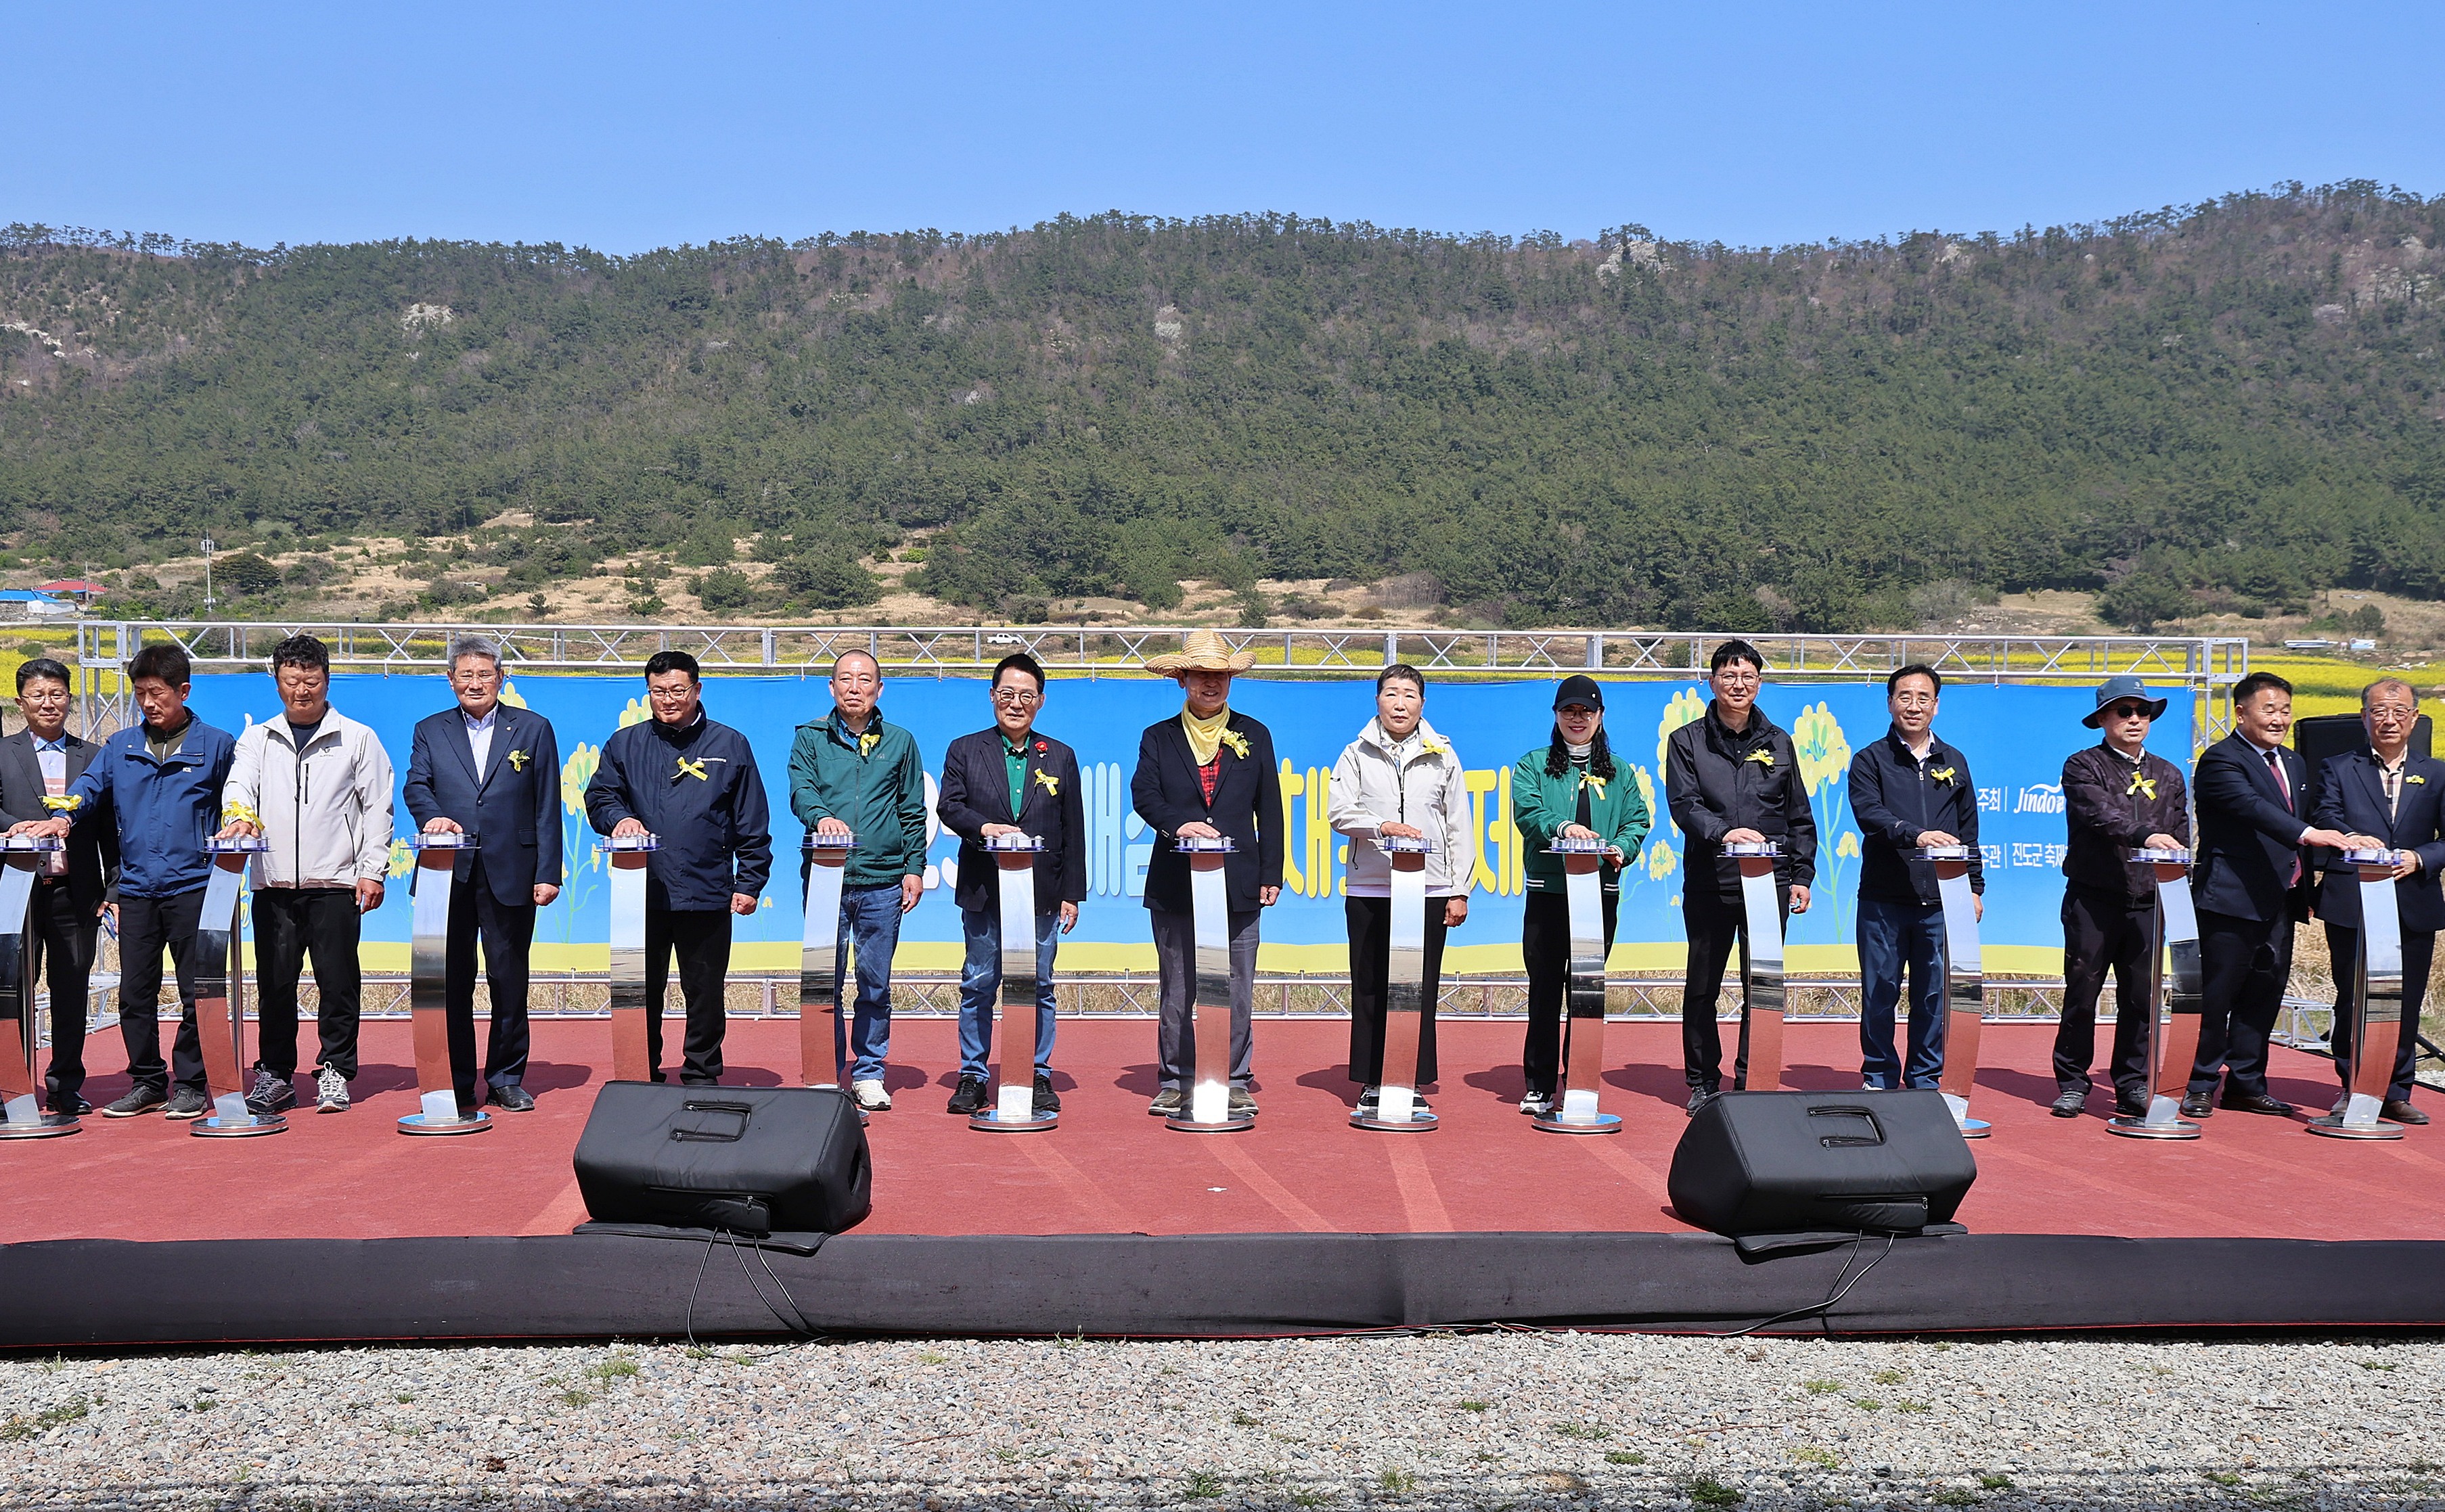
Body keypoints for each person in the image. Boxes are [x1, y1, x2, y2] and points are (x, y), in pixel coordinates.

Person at [9, 644, 233, 1119]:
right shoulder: (122, 744)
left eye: (157, 693)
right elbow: (89, 790)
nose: (148, 703)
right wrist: (63, 817)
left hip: (192, 885)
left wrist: (240, 825)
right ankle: (147, 1080)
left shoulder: (216, 744)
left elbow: (235, 800)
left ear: (183, 691)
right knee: (135, 993)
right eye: (140, 694)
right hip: (136, 890)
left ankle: (191, 1083)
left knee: (196, 991)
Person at [219, 635, 395, 1115]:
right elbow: (239, 786)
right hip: (273, 884)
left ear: (327, 680)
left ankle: (335, 1069)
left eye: (311, 680)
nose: (302, 690)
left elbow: (378, 807)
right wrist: (237, 815)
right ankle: (275, 1073)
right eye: (292, 680)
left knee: (337, 982)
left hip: (335, 884)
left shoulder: (357, 737)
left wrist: (372, 870)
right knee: (275, 983)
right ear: (276, 682)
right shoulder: (258, 738)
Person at [586, 650, 773, 1086]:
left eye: (677, 691)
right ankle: (640, 1072)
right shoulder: (625, 744)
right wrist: (620, 819)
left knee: (704, 992)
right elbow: (599, 798)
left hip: (707, 890)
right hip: (642, 892)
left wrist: (750, 881)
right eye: (657, 692)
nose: (668, 700)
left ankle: (702, 1073)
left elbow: (751, 820)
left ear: (697, 690)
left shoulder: (730, 745)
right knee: (641, 991)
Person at [401, 636, 564, 1114]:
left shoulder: (532, 729)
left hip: (512, 871)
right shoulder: (430, 729)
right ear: (449, 679)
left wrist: (548, 871)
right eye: (465, 675)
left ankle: (506, 1077)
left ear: (501, 677)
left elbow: (547, 802)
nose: (475, 683)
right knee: (450, 980)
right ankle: (454, 1080)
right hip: (446, 873)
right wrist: (431, 817)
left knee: (508, 978)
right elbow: (417, 784)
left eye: (484, 674)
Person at [2186, 671, 2356, 1118]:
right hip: (2230, 899)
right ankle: (2199, 1082)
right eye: (2268, 709)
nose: (2278, 718)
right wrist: (2310, 833)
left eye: (2284, 709)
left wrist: (2345, 839)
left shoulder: (2294, 763)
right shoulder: (2220, 760)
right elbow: (2254, 809)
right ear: (2241, 712)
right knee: (2216, 996)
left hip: (2281, 899)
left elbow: (2312, 816)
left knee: (2263, 994)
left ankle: (2245, 1083)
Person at [1131, 629, 1284, 1118]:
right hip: (1176, 883)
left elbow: (1272, 809)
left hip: (1239, 883)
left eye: (1220, 675)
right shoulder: (1158, 737)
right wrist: (1179, 824)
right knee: (1178, 987)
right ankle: (1175, 1079)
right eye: (1201, 675)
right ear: (1182, 679)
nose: (1211, 684)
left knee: (1237, 984)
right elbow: (1144, 796)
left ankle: (1234, 1078)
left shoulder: (1254, 734)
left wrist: (1271, 871)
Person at [1665, 640, 1816, 1113]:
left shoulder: (1778, 741)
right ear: (1711, 682)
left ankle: (1755, 1079)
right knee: (1702, 985)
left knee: (1763, 985)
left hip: (1768, 884)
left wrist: (1801, 875)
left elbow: (1798, 816)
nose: (1738, 684)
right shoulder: (1687, 740)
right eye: (1729, 676)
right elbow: (1684, 805)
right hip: (1711, 880)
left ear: (1759, 683)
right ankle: (1703, 1081)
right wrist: (1726, 833)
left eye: (1747, 676)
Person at [933, 653, 1085, 1116]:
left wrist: (1071, 893)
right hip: (983, 888)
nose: (1015, 703)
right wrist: (985, 828)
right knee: (979, 981)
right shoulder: (966, 748)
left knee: (1037, 983)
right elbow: (949, 806)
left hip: (1040, 892)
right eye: (1006, 694)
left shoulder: (1058, 755)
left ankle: (1036, 1072)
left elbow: (1072, 827)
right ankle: (973, 1075)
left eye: (1025, 695)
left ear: (1040, 700)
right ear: (992, 696)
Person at [1328, 664, 1473, 1115]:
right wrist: (1381, 826)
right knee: (1371, 984)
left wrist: (1458, 888)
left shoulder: (1443, 754)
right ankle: (1373, 1079)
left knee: (1418, 987)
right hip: (1371, 887)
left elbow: (1458, 826)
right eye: (1391, 693)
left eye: (1409, 694)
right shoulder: (1355, 753)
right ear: (1377, 700)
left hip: (1427, 889)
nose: (1399, 703)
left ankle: (1409, 1077)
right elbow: (1338, 812)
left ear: (1421, 704)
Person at [787, 649, 926, 1111]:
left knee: (874, 982)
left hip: (883, 881)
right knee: (823, 980)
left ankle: (869, 1071)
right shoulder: (809, 738)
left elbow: (911, 809)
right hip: (826, 879)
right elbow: (800, 790)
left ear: (879, 689)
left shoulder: (900, 741)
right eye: (844, 679)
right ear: (831, 688)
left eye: (864, 679)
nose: (854, 686)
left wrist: (913, 868)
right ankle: (825, 1073)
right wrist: (822, 816)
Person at [1511, 674, 1651, 1117]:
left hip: (1599, 892)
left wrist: (1621, 849)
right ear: (1555, 716)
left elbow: (1637, 820)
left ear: (1600, 717)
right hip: (1549, 891)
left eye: (1585, 711)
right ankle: (1538, 1083)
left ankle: (1580, 1079)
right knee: (1545, 987)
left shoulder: (1620, 771)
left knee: (1586, 988)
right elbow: (1528, 809)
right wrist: (1563, 827)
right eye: (1568, 711)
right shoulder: (1533, 763)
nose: (1577, 718)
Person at [2051, 675, 2191, 1118]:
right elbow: (2100, 815)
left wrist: (2180, 864)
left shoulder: (2168, 773)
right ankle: (2073, 1082)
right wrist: (2147, 834)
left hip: (2149, 902)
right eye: (2123, 711)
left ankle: (2131, 1081)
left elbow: (2181, 833)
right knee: (2082, 992)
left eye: (2141, 711)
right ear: (2102, 719)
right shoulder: (2082, 765)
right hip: (2093, 900)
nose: (2134, 719)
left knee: (2141, 997)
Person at [2310, 677, 2445, 1125]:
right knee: (2353, 998)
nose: (2389, 720)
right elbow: (2325, 813)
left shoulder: (2437, 772)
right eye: (2378, 712)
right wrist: (2349, 837)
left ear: (2414, 719)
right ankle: (2352, 1086)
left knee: (2403, 1000)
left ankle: (2395, 1090)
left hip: (2413, 900)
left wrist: (2418, 857)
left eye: (2399, 712)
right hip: (2352, 897)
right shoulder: (2337, 766)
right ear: (2364, 717)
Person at [1847, 665, 1984, 1092]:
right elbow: (1871, 815)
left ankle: (1925, 1078)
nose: (1914, 705)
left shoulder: (1954, 761)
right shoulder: (1870, 759)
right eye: (1904, 696)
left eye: (1923, 697)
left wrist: (1974, 887)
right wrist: (1916, 834)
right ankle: (1879, 1077)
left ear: (1937, 706)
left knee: (1932, 996)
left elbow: (1969, 829)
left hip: (1942, 900)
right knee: (1880, 992)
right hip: (1883, 900)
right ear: (1890, 703)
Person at [0, 659, 116, 1114]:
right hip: (16, 893)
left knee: (71, 988)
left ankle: (65, 1083)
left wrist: (114, 887)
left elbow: (109, 826)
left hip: (76, 892)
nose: (48, 703)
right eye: (38, 694)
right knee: (13, 986)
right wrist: (18, 828)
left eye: (57, 694)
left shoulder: (92, 757)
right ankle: (13, 1083)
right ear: (20, 702)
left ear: (70, 699)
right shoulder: (3, 752)